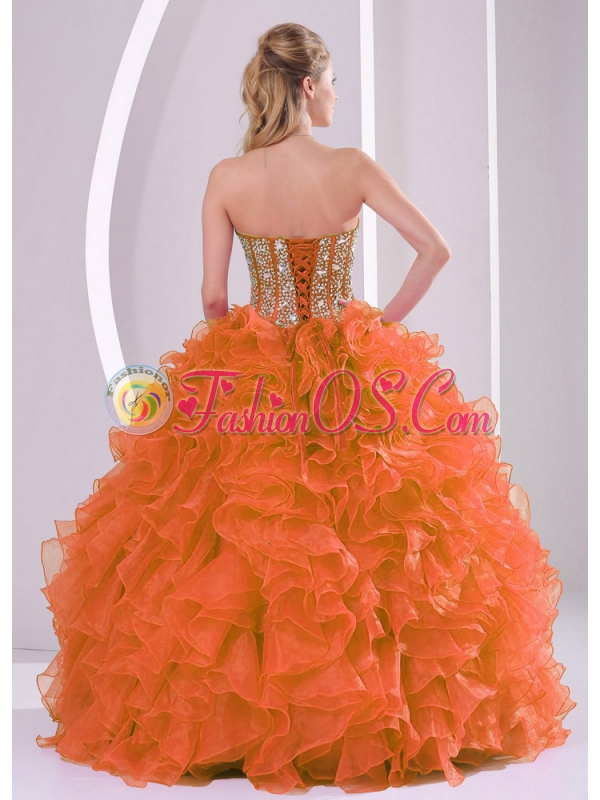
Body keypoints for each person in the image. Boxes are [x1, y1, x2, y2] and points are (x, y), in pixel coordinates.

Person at [36, 21, 576, 794]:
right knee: (374, 527)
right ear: (307, 85)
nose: (337, 96)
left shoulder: (228, 177)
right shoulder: (351, 167)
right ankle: (369, 711)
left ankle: (247, 715)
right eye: (333, 82)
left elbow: (214, 298)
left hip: (253, 372)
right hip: (350, 366)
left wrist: (247, 339)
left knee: (235, 534)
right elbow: (435, 249)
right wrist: (380, 322)